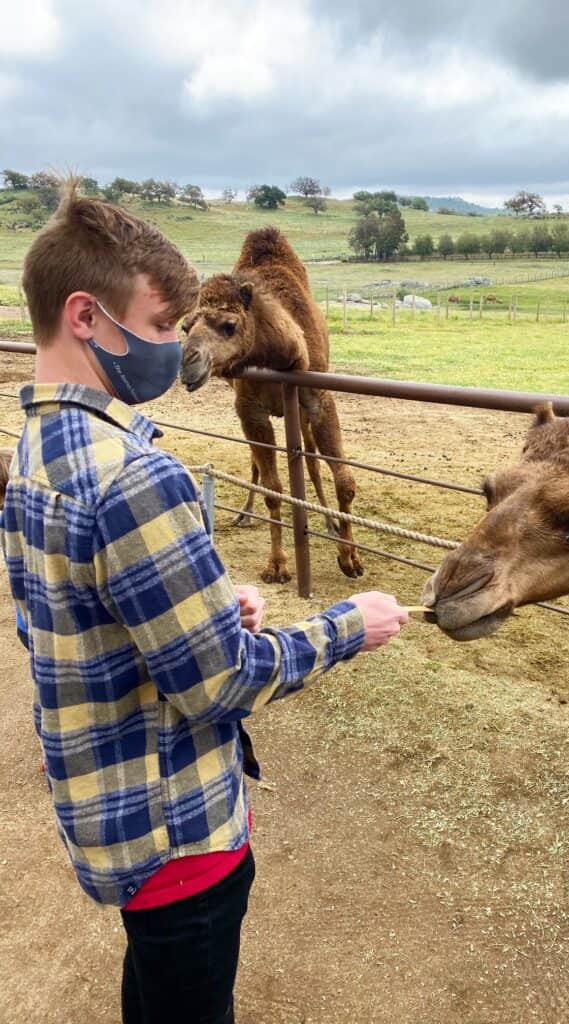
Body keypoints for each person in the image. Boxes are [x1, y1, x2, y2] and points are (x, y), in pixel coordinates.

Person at [0, 179, 408, 1024]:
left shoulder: (34, 451)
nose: (172, 347)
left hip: (104, 802)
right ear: (85, 317)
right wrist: (345, 627)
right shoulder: (137, 479)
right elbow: (219, 686)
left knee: (152, 980)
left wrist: (210, 607)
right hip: (177, 829)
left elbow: (54, 615)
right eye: (158, 327)